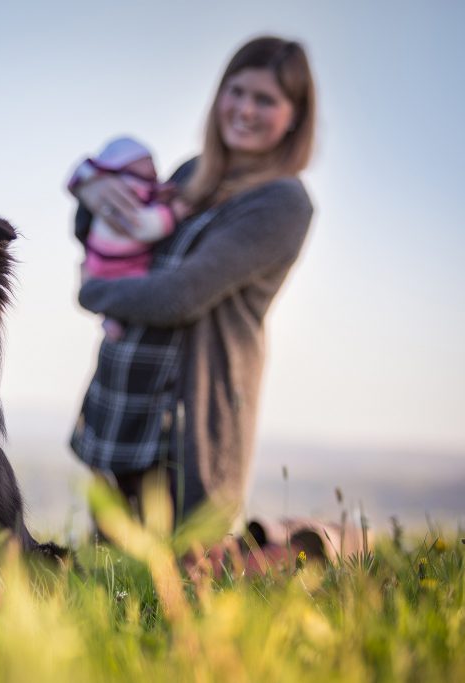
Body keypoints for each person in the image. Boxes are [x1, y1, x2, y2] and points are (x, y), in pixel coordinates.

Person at [69, 36, 316, 532]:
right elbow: (104, 236)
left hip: (185, 412)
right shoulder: (191, 175)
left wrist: (91, 291)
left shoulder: (282, 202)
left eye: (265, 99)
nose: (245, 109)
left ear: (294, 115)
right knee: (108, 579)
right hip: (124, 395)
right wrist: (93, 189)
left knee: (182, 574)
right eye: (236, 91)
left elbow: (181, 296)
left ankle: (307, 541)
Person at [68, 136, 185, 339]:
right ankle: (111, 321)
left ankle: (110, 320)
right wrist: (173, 213)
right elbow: (143, 226)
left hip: (101, 264)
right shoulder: (124, 191)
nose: (154, 169)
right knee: (117, 295)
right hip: (122, 265)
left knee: (107, 296)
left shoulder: (127, 186)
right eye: (145, 162)